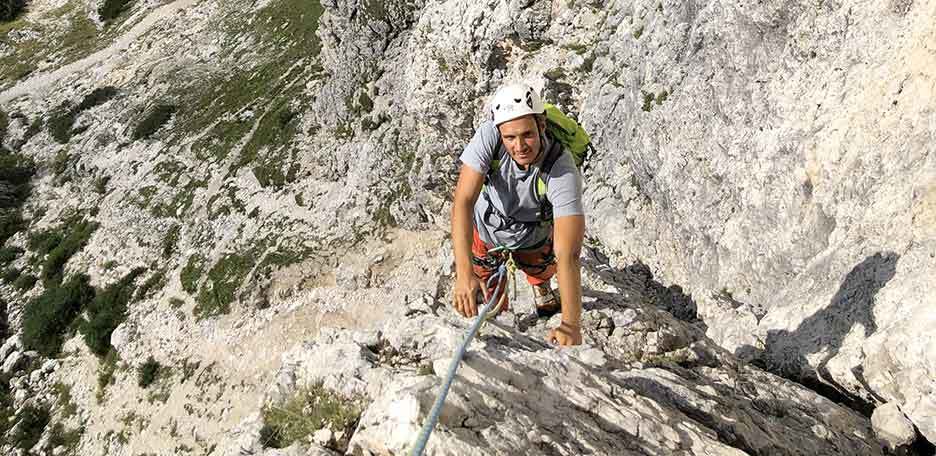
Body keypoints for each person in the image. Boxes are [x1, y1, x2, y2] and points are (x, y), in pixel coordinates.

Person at [450, 83, 585, 346]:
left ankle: (541, 286)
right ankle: (498, 314)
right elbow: (463, 201)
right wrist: (464, 275)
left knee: (541, 266)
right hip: (487, 227)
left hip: (532, 233)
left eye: (527, 135)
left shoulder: (561, 168)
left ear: (542, 126)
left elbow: (568, 253)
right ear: (500, 133)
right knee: (489, 286)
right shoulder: (490, 135)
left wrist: (570, 325)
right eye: (510, 138)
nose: (520, 146)